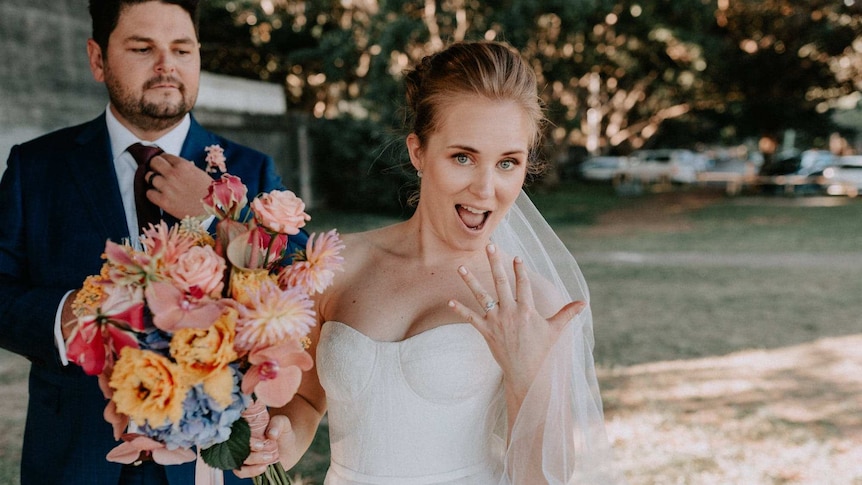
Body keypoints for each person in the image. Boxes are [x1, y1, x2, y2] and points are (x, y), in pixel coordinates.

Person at [237, 41, 624, 484]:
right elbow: (305, 401)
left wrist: (527, 374)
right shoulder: (336, 263)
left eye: (507, 163)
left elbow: (543, 479)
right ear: (418, 152)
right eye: (463, 157)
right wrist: (281, 436)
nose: (485, 188)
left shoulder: (532, 302)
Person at [0, 0, 285, 483]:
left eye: (182, 49)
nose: (166, 65)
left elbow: (290, 303)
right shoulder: (36, 167)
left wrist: (215, 218)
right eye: (141, 48)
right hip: (77, 455)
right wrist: (64, 316)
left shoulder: (250, 171)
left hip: (211, 461)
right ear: (97, 59)